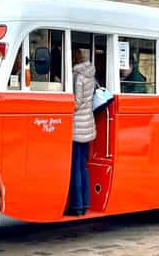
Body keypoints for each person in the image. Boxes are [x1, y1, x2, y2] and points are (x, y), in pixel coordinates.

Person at [67, 48, 96, 216]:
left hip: (77, 125)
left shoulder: (78, 77)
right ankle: (85, 203)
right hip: (88, 123)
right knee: (83, 166)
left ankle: (76, 205)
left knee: (75, 166)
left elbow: (76, 103)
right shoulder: (90, 74)